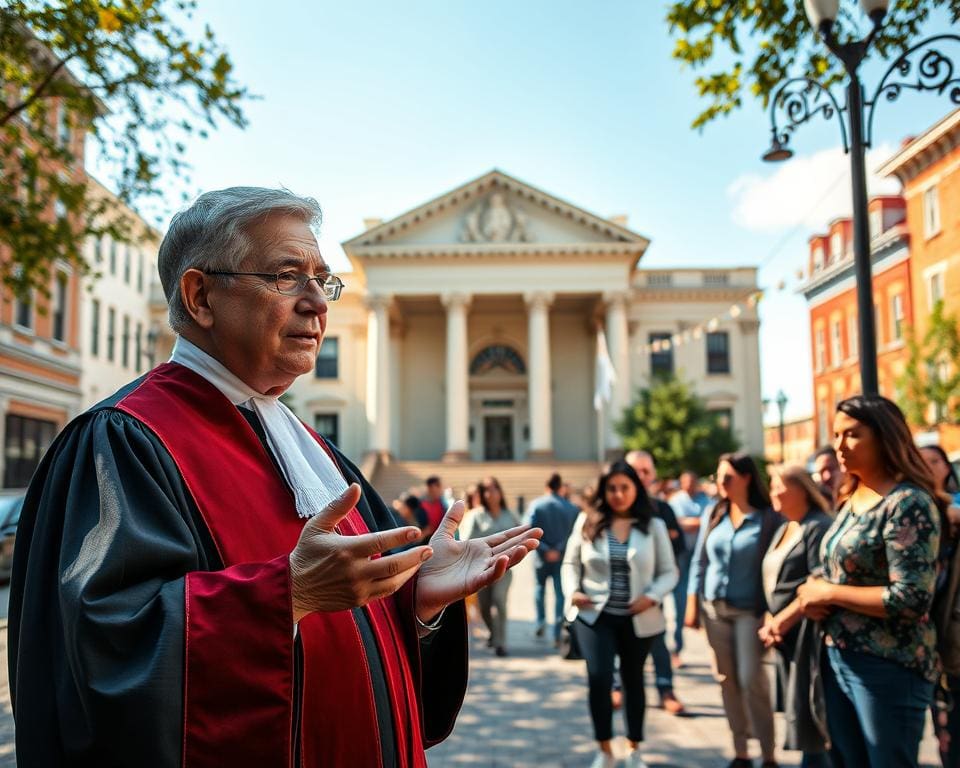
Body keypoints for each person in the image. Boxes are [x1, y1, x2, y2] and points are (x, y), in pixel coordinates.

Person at [8, 187, 542, 767]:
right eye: (288, 277)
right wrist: (284, 596)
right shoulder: (124, 441)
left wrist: (414, 600)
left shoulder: (314, 452)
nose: (318, 303)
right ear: (200, 295)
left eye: (323, 280)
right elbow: (105, 654)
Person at [797, 396, 942, 768]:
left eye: (853, 434)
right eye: (836, 435)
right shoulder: (851, 497)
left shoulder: (906, 502)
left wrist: (829, 593)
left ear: (883, 436)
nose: (840, 446)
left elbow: (911, 597)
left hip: (889, 664)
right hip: (838, 654)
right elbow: (834, 571)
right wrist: (808, 595)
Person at [562, 461, 678, 768]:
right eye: (611, 488)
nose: (618, 494)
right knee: (599, 678)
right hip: (594, 615)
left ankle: (633, 748)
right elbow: (570, 563)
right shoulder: (588, 520)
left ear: (635, 490)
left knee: (633, 680)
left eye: (624, 487)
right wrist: (572, 590)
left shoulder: (653, 525)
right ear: (603, 491)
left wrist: (651, 597)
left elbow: (670, 572)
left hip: (638, 616)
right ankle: (604, 749)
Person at [685, 451, 782, 768]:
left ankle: (768, 754)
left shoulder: (769, 519)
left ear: (746, 478)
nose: (721, 483)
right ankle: (741, 751)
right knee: (726, 679)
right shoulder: (714, 513)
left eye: (727, 477)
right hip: (714, 610)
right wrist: (692, 604)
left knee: (752, 679)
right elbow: (700, 562)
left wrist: (773, 612)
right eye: (718, 477)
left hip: (749, 611)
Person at [758, 466, 833, 768]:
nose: (773, 492)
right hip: (785, 636)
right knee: (800, 715)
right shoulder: (786, 526)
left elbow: (817, 583)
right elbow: (773, 579)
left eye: (778, 485)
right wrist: (769, 618)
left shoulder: (818, 526)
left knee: (810, 716)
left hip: (806, 635)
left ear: (801, 489)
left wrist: (782, 620)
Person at [625, 450, 687, 714]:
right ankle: (617, 687)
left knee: (657, 641)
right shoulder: (610, 510)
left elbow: (676, 547)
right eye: (634, 471)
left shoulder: (662, 509)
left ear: (653, 476)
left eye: (646, 471)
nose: (640, 477)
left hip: (650, 593)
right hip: (614, 594)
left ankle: (665, 688)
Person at [920, 444, 960, 768]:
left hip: (953, 628)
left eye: (935, 461)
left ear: (947, 467)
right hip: (929, 633)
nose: (930, 467)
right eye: (922, 463)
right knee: (943, 724)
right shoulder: (917, 510)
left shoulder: (953, 510)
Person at [461, 477, 521, 657]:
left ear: (500, 491)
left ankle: (501, 643)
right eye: (487, 489)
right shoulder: (476, 515)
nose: (491, 492)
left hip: (505, 568)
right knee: (485, 606)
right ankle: (493, 633)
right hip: (482, 569)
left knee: (499, 601)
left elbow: (522, 533)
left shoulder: (509, 514)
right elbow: (465, 540)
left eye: (495, 488)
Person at [528, 472, 580, 644]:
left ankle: (540, 621)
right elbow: (574, 535)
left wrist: (544, 549)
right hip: (561, 557)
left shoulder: (536, 505)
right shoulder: (571, 508)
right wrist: (557, 549)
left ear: (547, 486)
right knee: (560, 594)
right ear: (560, 487)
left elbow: (528, 529)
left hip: (540, 557)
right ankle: (558, 631)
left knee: (539, 589)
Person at [668, 470, 712, 666]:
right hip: (680, 556)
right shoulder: (675, 501)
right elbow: (676, 525)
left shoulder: (706, 501)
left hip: (702, 557)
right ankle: (676, 649)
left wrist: (690, 523)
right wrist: (696, 522)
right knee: (680, 601)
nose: (689, 485)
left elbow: (707, 522)